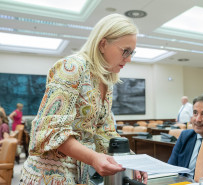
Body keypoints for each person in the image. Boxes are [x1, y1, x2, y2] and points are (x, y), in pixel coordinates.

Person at [20, 14, 147, 185]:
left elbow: (104, 132)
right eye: (125, 51)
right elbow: (50, 132)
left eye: (132, 52)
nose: (129, 58)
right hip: (51, 174)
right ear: (103, 44)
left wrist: (131, 159)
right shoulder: (71, 68)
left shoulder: (106, 81)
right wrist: (93, 158)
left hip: (81, 172)